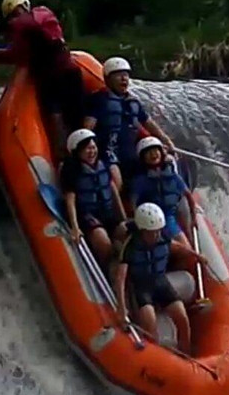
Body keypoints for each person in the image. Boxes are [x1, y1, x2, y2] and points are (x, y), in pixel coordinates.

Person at [0, 0, 83, 155]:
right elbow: (21, 52)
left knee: (65, 117)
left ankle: (72, 153)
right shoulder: (33, 22)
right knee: (65, 118)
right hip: (60, 76)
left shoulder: (30, 19)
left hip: (59, 77)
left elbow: (24, 43)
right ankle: (72, 153)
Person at [115, 203, 205, 354]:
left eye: (158, 231)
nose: (156, 235)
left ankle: (186, 352)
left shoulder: (162, 238)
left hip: (160, 282)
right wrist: (122, 307)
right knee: (149, 322)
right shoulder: (131, 247)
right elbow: (120, 278)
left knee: (182, 317)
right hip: (141, 287)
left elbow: (178, 246)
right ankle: (155, 353)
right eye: (152, 232)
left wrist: (197, 256)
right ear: (142, 231)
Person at [84, 57, 175, 193]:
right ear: (108, 79)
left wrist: (167, 142)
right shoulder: (99, 100)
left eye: (126, 75)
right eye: (119, 75)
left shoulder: (133, 102)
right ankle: (114, 211)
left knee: (160, 169)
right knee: (117, 181)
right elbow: (88, 128)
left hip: (130, 152)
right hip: (108, 152)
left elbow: (149, 124)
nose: (124, 79)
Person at [60, 128, 129, 263]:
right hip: (87, 215)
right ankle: (106, 268)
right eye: (87, 149)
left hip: (107, 212)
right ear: (77, 151)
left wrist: (123, 218)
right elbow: (70, 198)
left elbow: (112, 189)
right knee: (102, 241)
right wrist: (75, 227)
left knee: (126, 234)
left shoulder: (102, 164)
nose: (92, 152)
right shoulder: (72, 170)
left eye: (93, 147)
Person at [131, 136, 198, 246]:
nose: (153, 155)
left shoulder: (172, 175)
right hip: (155, 219)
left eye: (155, 151)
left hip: (170, 215)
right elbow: (133, 202)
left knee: (187, 235)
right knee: (184, 245)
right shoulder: (141, 181)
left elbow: (187, 194)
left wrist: (194, 217)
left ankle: (189, 240)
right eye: (149, 153)